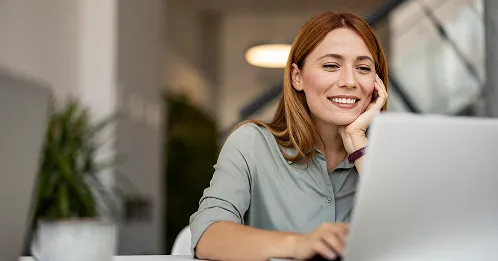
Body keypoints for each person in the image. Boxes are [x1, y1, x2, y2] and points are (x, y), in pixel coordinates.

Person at [189, 10, 388, 261]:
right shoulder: (251, 144)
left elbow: (417, 243)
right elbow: (208, 235)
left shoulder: (386, 158)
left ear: (376, 82)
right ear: (297, 77)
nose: (349, 81)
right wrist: (300, 245)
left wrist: (360, 146)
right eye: (331, 65)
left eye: (363, 68)